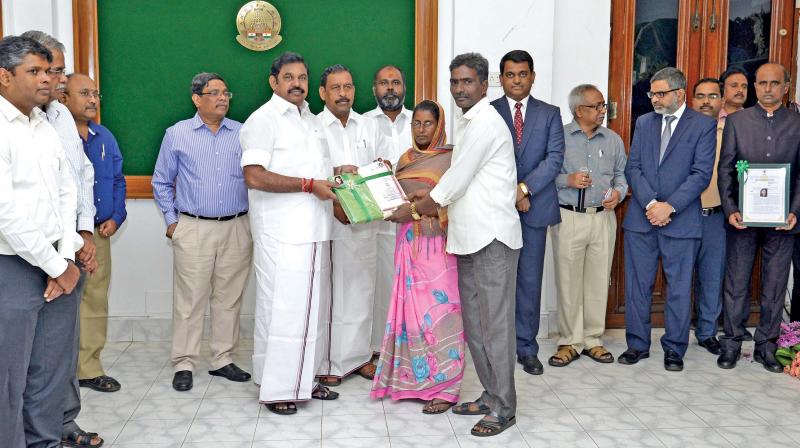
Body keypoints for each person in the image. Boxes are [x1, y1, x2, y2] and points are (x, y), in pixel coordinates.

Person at [412, 53, 522, 437]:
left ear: (484, 84)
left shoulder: (486, 123)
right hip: (469, 238)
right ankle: (491, 395)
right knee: (476, 325)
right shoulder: (469, 120)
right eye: (454, 82)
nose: (460, 89)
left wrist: (415, 208)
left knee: (495, 326)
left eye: (467, 82)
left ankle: (505, 407)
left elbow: (454, 182)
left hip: (492, 239)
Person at [240, 51, 339, 415]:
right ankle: (280, 389)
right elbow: (255, 175)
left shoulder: (310, 120)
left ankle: (303, 380)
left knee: (309, 311)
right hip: (283, 234)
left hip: (314, 229)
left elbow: (320, 170)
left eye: (302, 77)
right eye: (289, 77)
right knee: (282, 310)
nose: (297, 83)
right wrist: (309, 184)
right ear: (274, 81)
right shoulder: (263, 120)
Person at [20, 30, 103, 448]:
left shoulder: (59, 119)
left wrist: (82, 236)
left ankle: (62, 423)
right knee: (26, 356)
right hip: (28, 253)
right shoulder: (16, 121)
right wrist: (58, 262)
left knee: (60, 349)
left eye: (57, 71)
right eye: (47, 70)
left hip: (69, 245)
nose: (56, 80)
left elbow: (79, 177)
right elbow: (15, 206)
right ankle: (35, 433)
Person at [0, 35, 82, 448]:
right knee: (8, 379)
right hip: (11, 266)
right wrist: (57, 267)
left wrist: (64, 258)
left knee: (50, 372)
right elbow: (5, 211)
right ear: (4, 77)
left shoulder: (44, 125)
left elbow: (67, 193)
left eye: (48, 71)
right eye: (33, 71)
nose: (46, 79)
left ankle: (45, 443)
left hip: (57, 262)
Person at [152, 72, 252, 392]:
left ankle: (222, 359)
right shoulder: (177, 134)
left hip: (237, 225)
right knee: (190, 300)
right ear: (197, 98)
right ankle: (184, 363)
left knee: (229, 298)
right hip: (194, 226)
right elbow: (161, 181)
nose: (223, 98)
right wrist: (172, 221)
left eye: (226, 93)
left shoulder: (243, 133)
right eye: (214, 93)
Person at [371, 100, 465, 415]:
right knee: (410, 315)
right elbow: (394, 199)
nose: (421, 129)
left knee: (441, 313)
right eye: (417, 124)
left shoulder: (452, 158)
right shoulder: (405, 159)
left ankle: (446, 388)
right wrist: (382, 178)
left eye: (427, 123)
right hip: (408, 245)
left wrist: (419, 204)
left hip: (439, 247)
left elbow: (457, 199)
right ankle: (413, 381)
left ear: (439, 126)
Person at [620, 67, 716, 372]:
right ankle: (637, 344)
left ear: (679, 93)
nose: (654, 99)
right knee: (637, 286)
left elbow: (700, 175)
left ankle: (675, 348)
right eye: (652, 93)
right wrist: (651, 203)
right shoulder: (644, 122)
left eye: (660, 93)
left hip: (681, 220)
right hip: (641, 218)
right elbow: (633, 167)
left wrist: (669, 207)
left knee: (678, 287)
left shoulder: (702, 125)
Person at [717, 62, 800, 373]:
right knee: (736, 282)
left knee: (775, 284)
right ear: (755, 86)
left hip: (783, 221)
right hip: (743, 219)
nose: (767, 89)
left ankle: (767, 346)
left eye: (774, 83)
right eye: (761, 83)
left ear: (785, 87)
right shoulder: (738, 122)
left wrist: (794, 211)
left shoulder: (797, 123)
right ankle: (732, 344)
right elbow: (725, 169)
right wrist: (730, 209)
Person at [490, 49, 564, 375]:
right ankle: (498, 349)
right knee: (496, 283)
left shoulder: (549, 114)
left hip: (535, 208)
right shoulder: (487, 113)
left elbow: (554, 158)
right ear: (501, 78)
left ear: (532, 76)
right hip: (496, 211)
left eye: (522, 74)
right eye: (510, 74)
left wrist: (524, 189)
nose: (517, 80)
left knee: (529, 282)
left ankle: (527, 348)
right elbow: (485, 161)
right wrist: (511, 192)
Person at [316, 64, 387, 385]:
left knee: (361, 291)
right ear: (323, 93)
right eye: (336, 88)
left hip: (364, 222)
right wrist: (336, 172)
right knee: (329, 294)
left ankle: (357, 358)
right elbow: (309, 172)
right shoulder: (313, 127)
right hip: (328, 221)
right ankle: (329, 363)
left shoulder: (369, 126)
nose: (343, 93)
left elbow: (382, 166)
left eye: (348, 87)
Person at [549, 84, 627, 367]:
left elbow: (621, 175)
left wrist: (618, 192)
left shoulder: (613, 140)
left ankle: (593, 339)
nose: (602, 111)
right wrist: (566, 180)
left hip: (603, 218)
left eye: (603, 105)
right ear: (579, 110)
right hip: (569, 216)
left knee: (597, 281)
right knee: (568, 281)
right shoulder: (559, 137)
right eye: (596, 106)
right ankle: (569, 341)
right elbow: (548, 172)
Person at [64, 73, 128, 402]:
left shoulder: (105, 136)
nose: (92, 99)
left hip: (99, 234)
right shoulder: (53, 136)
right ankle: (59, 373)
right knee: (58, 303)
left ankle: (89, 369)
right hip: (61, 236)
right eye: (84, 93)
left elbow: (118, 180)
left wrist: (116, 217)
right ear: (63, 98)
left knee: (94, 300)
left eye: (96, 93)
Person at [364, 65, 414, 362]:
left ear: (404, 87)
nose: (390, 88)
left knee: (413, 285)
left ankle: (411, 346)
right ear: (374, 89)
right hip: (377, 222)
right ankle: (378, 350)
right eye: (384, 83)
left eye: (396, 82)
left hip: (416, 218)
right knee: (381, 286)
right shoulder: (364, 124)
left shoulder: (419, 121)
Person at [689, 77, 726, 356]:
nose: (705, 101)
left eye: (712, 96)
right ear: (691, 100)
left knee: (712, 276)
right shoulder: (681, 131)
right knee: (678, 277)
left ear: (722, 101)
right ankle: (677, 331)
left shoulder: (732, 131)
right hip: (684, 214)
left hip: (716, 216)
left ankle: (707, 332)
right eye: (700, 96)